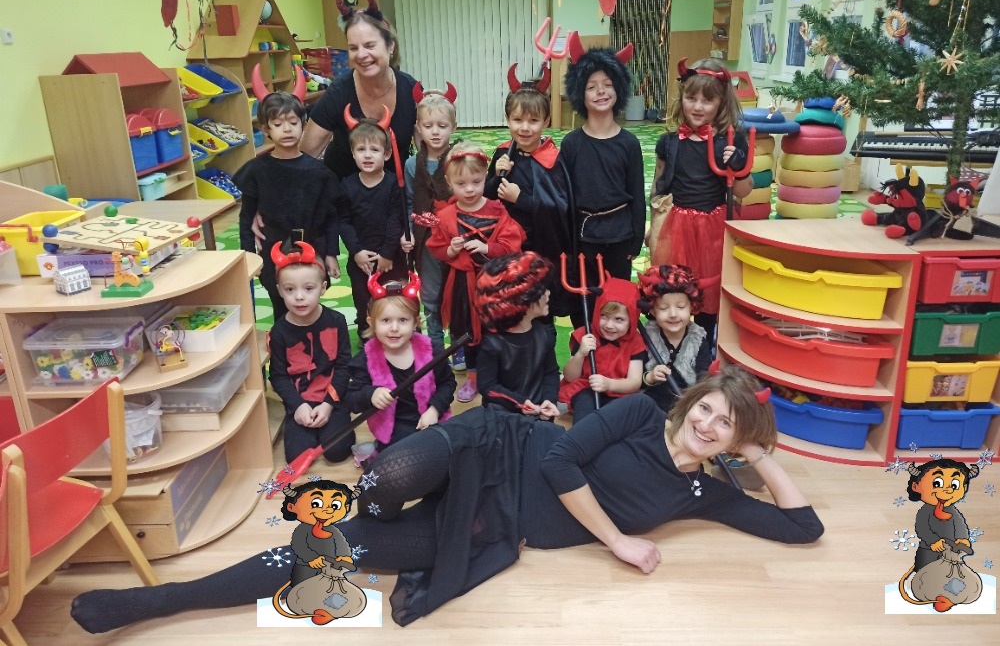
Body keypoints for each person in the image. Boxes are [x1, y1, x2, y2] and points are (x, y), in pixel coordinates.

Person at [70, 365, 823, 632]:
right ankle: (367, 496)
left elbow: (803, 528)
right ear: (689, 402)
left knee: (335, 554)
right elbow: (561, 459)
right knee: (389, 479)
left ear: (732, 440)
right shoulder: (638, 412)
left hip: (496, 521)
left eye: (725, 425)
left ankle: (151, 604)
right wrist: (619, 541)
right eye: (706, 408)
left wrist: (761, 452)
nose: (707, 423)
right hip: (501, 445)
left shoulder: (701, 491)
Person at [649, 57, 752, 343]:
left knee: (709, 294)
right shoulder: (669, 141)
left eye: (707, 100)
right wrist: (653, 227)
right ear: (681, 97)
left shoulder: (730, 140)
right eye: (691, 98)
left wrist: (739, 167)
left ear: (721, 102)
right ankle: (667, 349)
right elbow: (657, 188)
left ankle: (704, 349)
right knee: (670, 290)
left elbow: (743, 191)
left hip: (713, 227)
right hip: (675, 226)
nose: (697, 106)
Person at [426, 147, 525, 402]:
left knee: (497, 331)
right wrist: (451, 249)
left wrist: (487, 248)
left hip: (495, 284)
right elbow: (437, 249)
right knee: (467, 333)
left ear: (486, 177)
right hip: (462, 285)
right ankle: (472, 378)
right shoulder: (446, 216)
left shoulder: (497, 210)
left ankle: (500, 376)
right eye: (461, 184)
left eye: (477, 182)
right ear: (449, 182)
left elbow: (512, 245)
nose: (469, 189)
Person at [234, 92, 342, 319]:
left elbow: (331, 216)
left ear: (304, 124)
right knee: (280, 300)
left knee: (310, 298)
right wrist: (249, 255)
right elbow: (247, 217)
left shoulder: (319, 172)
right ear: (265, 129)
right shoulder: (256, 170)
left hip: (314, 245)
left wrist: (331, 253)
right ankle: (284, 340)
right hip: (273, 247)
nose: (287, 129)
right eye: (277, 124)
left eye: (293, 123)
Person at [559, 38, 645, 294]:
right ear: (579, 93)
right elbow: (564, 196)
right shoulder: (571, 143)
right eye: (591, 87)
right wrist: (568, 240)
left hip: (620, 236)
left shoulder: (629, 143)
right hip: (583, 236)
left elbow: (637, 194)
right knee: (585, 300)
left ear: (618, 89)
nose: (601, 92)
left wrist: (636, 240)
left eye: (608, 85)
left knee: (617, 299)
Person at [300, 0, 418, 182]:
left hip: (394, 192)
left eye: (370, 45)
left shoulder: (410, 89)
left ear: (390, 46)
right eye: (353, 48)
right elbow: (305, 156)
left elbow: (430, 153)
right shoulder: (338, 92)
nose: (361, 55)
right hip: (343, 191)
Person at [485, 83, 575, 318]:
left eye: (533, 121)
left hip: (540, 248)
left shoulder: (553, 159)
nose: (525, 128)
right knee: (509, 306)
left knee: (540, 307)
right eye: (517, 120)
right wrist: (496, 177)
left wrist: (520, 199)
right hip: (507, 248)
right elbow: (487, 198)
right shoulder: (503, 153)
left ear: (546, 121)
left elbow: (560, 210)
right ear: (507, 119)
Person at [344, 275, 456, 459]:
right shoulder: (365, 359)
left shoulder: (432, 352)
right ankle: (376, 452)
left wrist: (435, 410)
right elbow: (351, 399)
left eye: (403, 320)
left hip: (430, 418)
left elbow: (447, 384)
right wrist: (371, 394)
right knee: (407, 460)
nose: (394, 328)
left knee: (449, 454)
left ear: (415, 322)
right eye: (386, 320)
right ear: (372, 323)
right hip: (393, 429)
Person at [267, 240, 354, 465]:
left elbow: (344, 366)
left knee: (337, 452)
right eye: (290, 289)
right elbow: (278, 376)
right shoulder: (279, 331)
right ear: (279, 290)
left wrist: (328, 404)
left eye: (308, 288)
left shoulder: (337, 321)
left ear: (323, 288)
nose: (299, 297)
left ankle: (330, 423)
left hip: (332, 399)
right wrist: (298, 405)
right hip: (300, 400)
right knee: (297, 457)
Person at [338, 111, 406, 339]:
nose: (367, 155)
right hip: (361, 261)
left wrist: (387, 254)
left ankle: (400, 339)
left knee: (396, 301)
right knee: (364, 304)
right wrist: (356, 251)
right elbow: (343, 221)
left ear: (386, 154)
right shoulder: (346, 186)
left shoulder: (393, 184)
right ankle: (369, 342)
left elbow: (396, 219)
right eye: (361, 149)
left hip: (391, 259)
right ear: (353, 153)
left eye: (374, 150)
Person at [474, 252, 560, 419]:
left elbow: (551, 372)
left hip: (540, 416)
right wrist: (520, 403)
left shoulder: (545, 334)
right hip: (503, 420)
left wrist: (549, 400)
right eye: (542, 291)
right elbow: (487, 386)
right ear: (522, 302)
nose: (548, 294)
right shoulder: (492, 344)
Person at [404, 85, 458, 353]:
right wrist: (408, 232)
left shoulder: (459, 159)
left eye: (442, 126)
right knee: (431, 296)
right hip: (426, 242)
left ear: (453, 127)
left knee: (458, 293)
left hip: (457, 241)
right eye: (428, 126)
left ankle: (459, 348)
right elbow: (409, 202)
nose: (435, 132)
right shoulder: (412, 165)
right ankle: (436, 351)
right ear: (419, 128)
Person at [558, 276, 646, 424]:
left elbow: (634, 381)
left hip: (619, 392)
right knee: (585, 404)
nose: (609, 325)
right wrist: (580, 354)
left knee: (625, 414)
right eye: (603, 316)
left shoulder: (636, 342)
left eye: (619, 319)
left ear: (632, 319)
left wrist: (610, 384)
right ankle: (583, 435)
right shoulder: (586, 334)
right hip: (586, 390)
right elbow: (570, 377)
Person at [636, 264, 714, 414]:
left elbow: (704, 378)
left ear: (692, 307)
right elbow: (633, 377)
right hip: (649, 405)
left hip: (683, 409)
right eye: (664, 308)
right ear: (652, 310)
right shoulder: (645, 338)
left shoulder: (698, 340)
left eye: (681, 307)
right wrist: (649, 377)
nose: (673, 314)